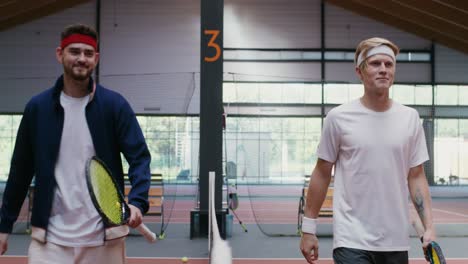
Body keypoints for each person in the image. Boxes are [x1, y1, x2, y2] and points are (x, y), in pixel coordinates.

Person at [0, 24, 151, 263]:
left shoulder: (115, 105)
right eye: (74, 51)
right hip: (50, 241)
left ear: (96, 59)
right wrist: (4, 225)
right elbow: (20, 169)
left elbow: (140, 157)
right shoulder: (37, 108)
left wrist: (138, 202)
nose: (81, 58)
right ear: (60, 54)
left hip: (105, 239)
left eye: (88, 53)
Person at [299, 37, 436, 264]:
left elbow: (416, 175)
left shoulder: (410, 118)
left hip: (395, 241)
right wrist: (308, 229)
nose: (383, 69)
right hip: (351, 239)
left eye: (388, 64)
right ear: (359, 71)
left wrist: (429, 228)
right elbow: (322, 173)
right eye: (375, 64)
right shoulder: (338, 118)